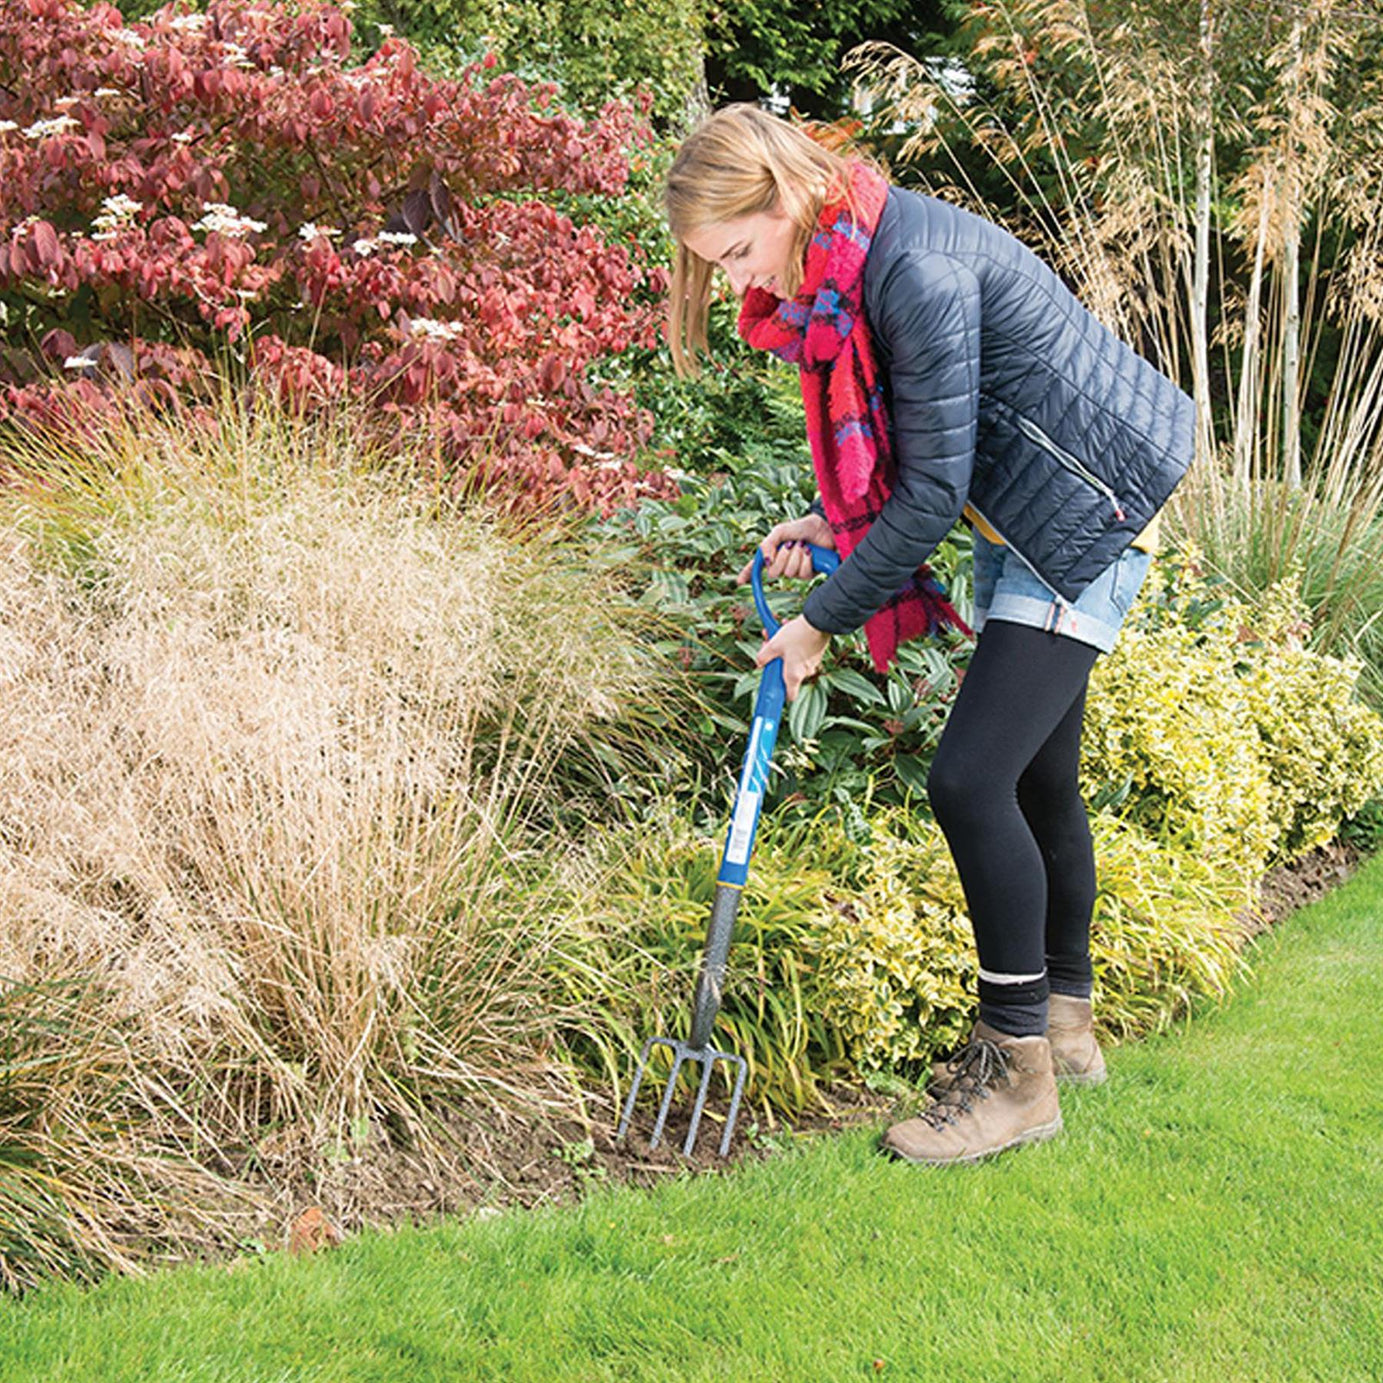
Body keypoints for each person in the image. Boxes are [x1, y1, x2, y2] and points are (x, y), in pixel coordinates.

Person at [664, 104, 1192, 1166]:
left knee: (968, 781)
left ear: (783, 200)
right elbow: (927, 458)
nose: (737, 283)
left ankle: (1017, 1077)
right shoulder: (865, 252)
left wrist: (820, 621)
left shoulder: (912, 273)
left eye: (735, 252)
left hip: (1087, 511)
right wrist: (833, 527)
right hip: (1026, 505)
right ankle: (1068, 1027)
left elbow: (931, 491)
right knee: (1038, 780)